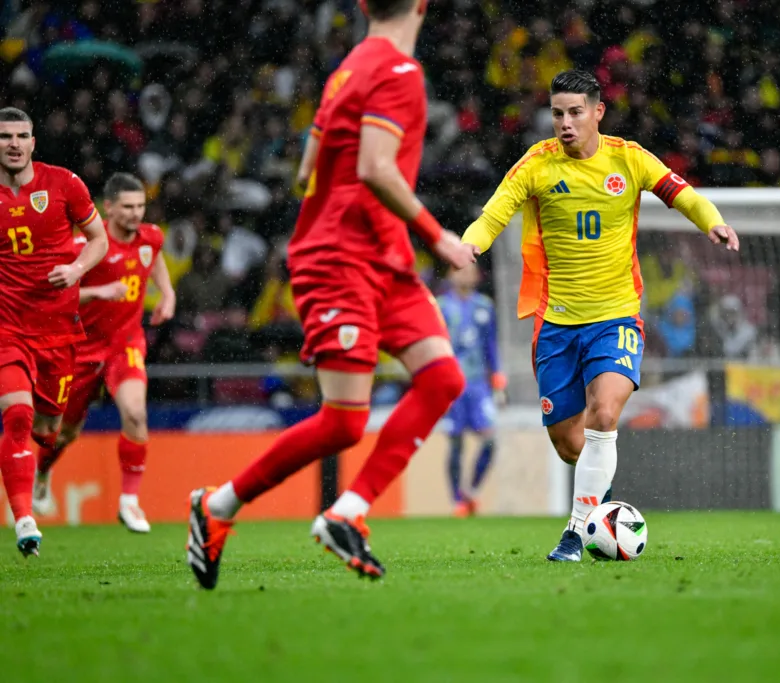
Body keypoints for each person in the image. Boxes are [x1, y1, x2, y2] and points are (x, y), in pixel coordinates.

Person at [186, 0, 476, 589]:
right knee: (344, 423)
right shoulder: (399, 73)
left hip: (382, 259)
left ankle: (346, 511)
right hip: (341, 259)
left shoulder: (346, 70)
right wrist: (435, 233)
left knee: (444, 378)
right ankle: (216, 507)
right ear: (422, 6)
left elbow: (304, 172)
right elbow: (373, 166)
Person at [462, 71, 739, 561]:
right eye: (556, 114)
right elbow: (494, 214)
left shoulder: (628, 158)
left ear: (597, 112)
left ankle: (573, 534)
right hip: (556, 325)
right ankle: (599, 506)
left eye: (574, 113)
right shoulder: (536, 165)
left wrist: (712, 222)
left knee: (605, 414)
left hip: (616, 318)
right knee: (570, 444)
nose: (565, 124)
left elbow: (682, 193)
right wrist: (469, 245)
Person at [32, 173, 175, 533]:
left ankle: (129, 503)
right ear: (107, 207)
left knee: (136, 414)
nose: (135, 214)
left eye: (140, 206)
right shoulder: (84, 244)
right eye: (127, 207)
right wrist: (97, 292)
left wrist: (168, 294)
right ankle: (42, 473)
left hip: (124, 345)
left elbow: (153, 258)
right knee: (62, 434)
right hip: (79, 349)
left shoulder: (151, 237)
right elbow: (54, 297)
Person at [0, 107, 108, 556]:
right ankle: (24, 520)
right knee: (18, 417)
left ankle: (39, 469)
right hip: (8, 329)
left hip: (60, 333)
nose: (13, 144)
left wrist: (76, 267)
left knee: (49, 430)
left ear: (33, 142)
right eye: (5, 136)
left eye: (21, 135)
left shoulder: (64, 184)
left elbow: (99, 239)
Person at [437, 263, 505, 516]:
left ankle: (472, 491)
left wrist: (497, 377)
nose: (465, 274)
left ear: (478, 275)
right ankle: (457, 501)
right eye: (459, 269)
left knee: (490, 439)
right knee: (455, 442)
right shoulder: (440, 307)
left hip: (478, 385)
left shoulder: (485, 306)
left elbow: (491, 345)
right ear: (450, 273)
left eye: (469, 270)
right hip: (451, 384)